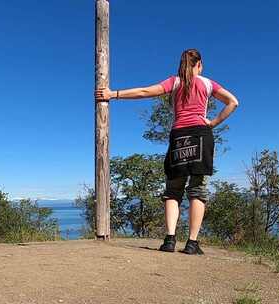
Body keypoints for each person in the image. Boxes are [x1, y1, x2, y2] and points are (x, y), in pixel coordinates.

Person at [94, 49, 239, 255]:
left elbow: (144, 92)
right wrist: (213, 123)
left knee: (173, 189)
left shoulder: (175, 82)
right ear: (200, 64)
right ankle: (192, 243)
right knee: (197, 190)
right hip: (201, 134)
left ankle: (170, 240)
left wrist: (113, 94)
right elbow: (233, 102)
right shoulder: (208, 84)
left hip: (179, 135)